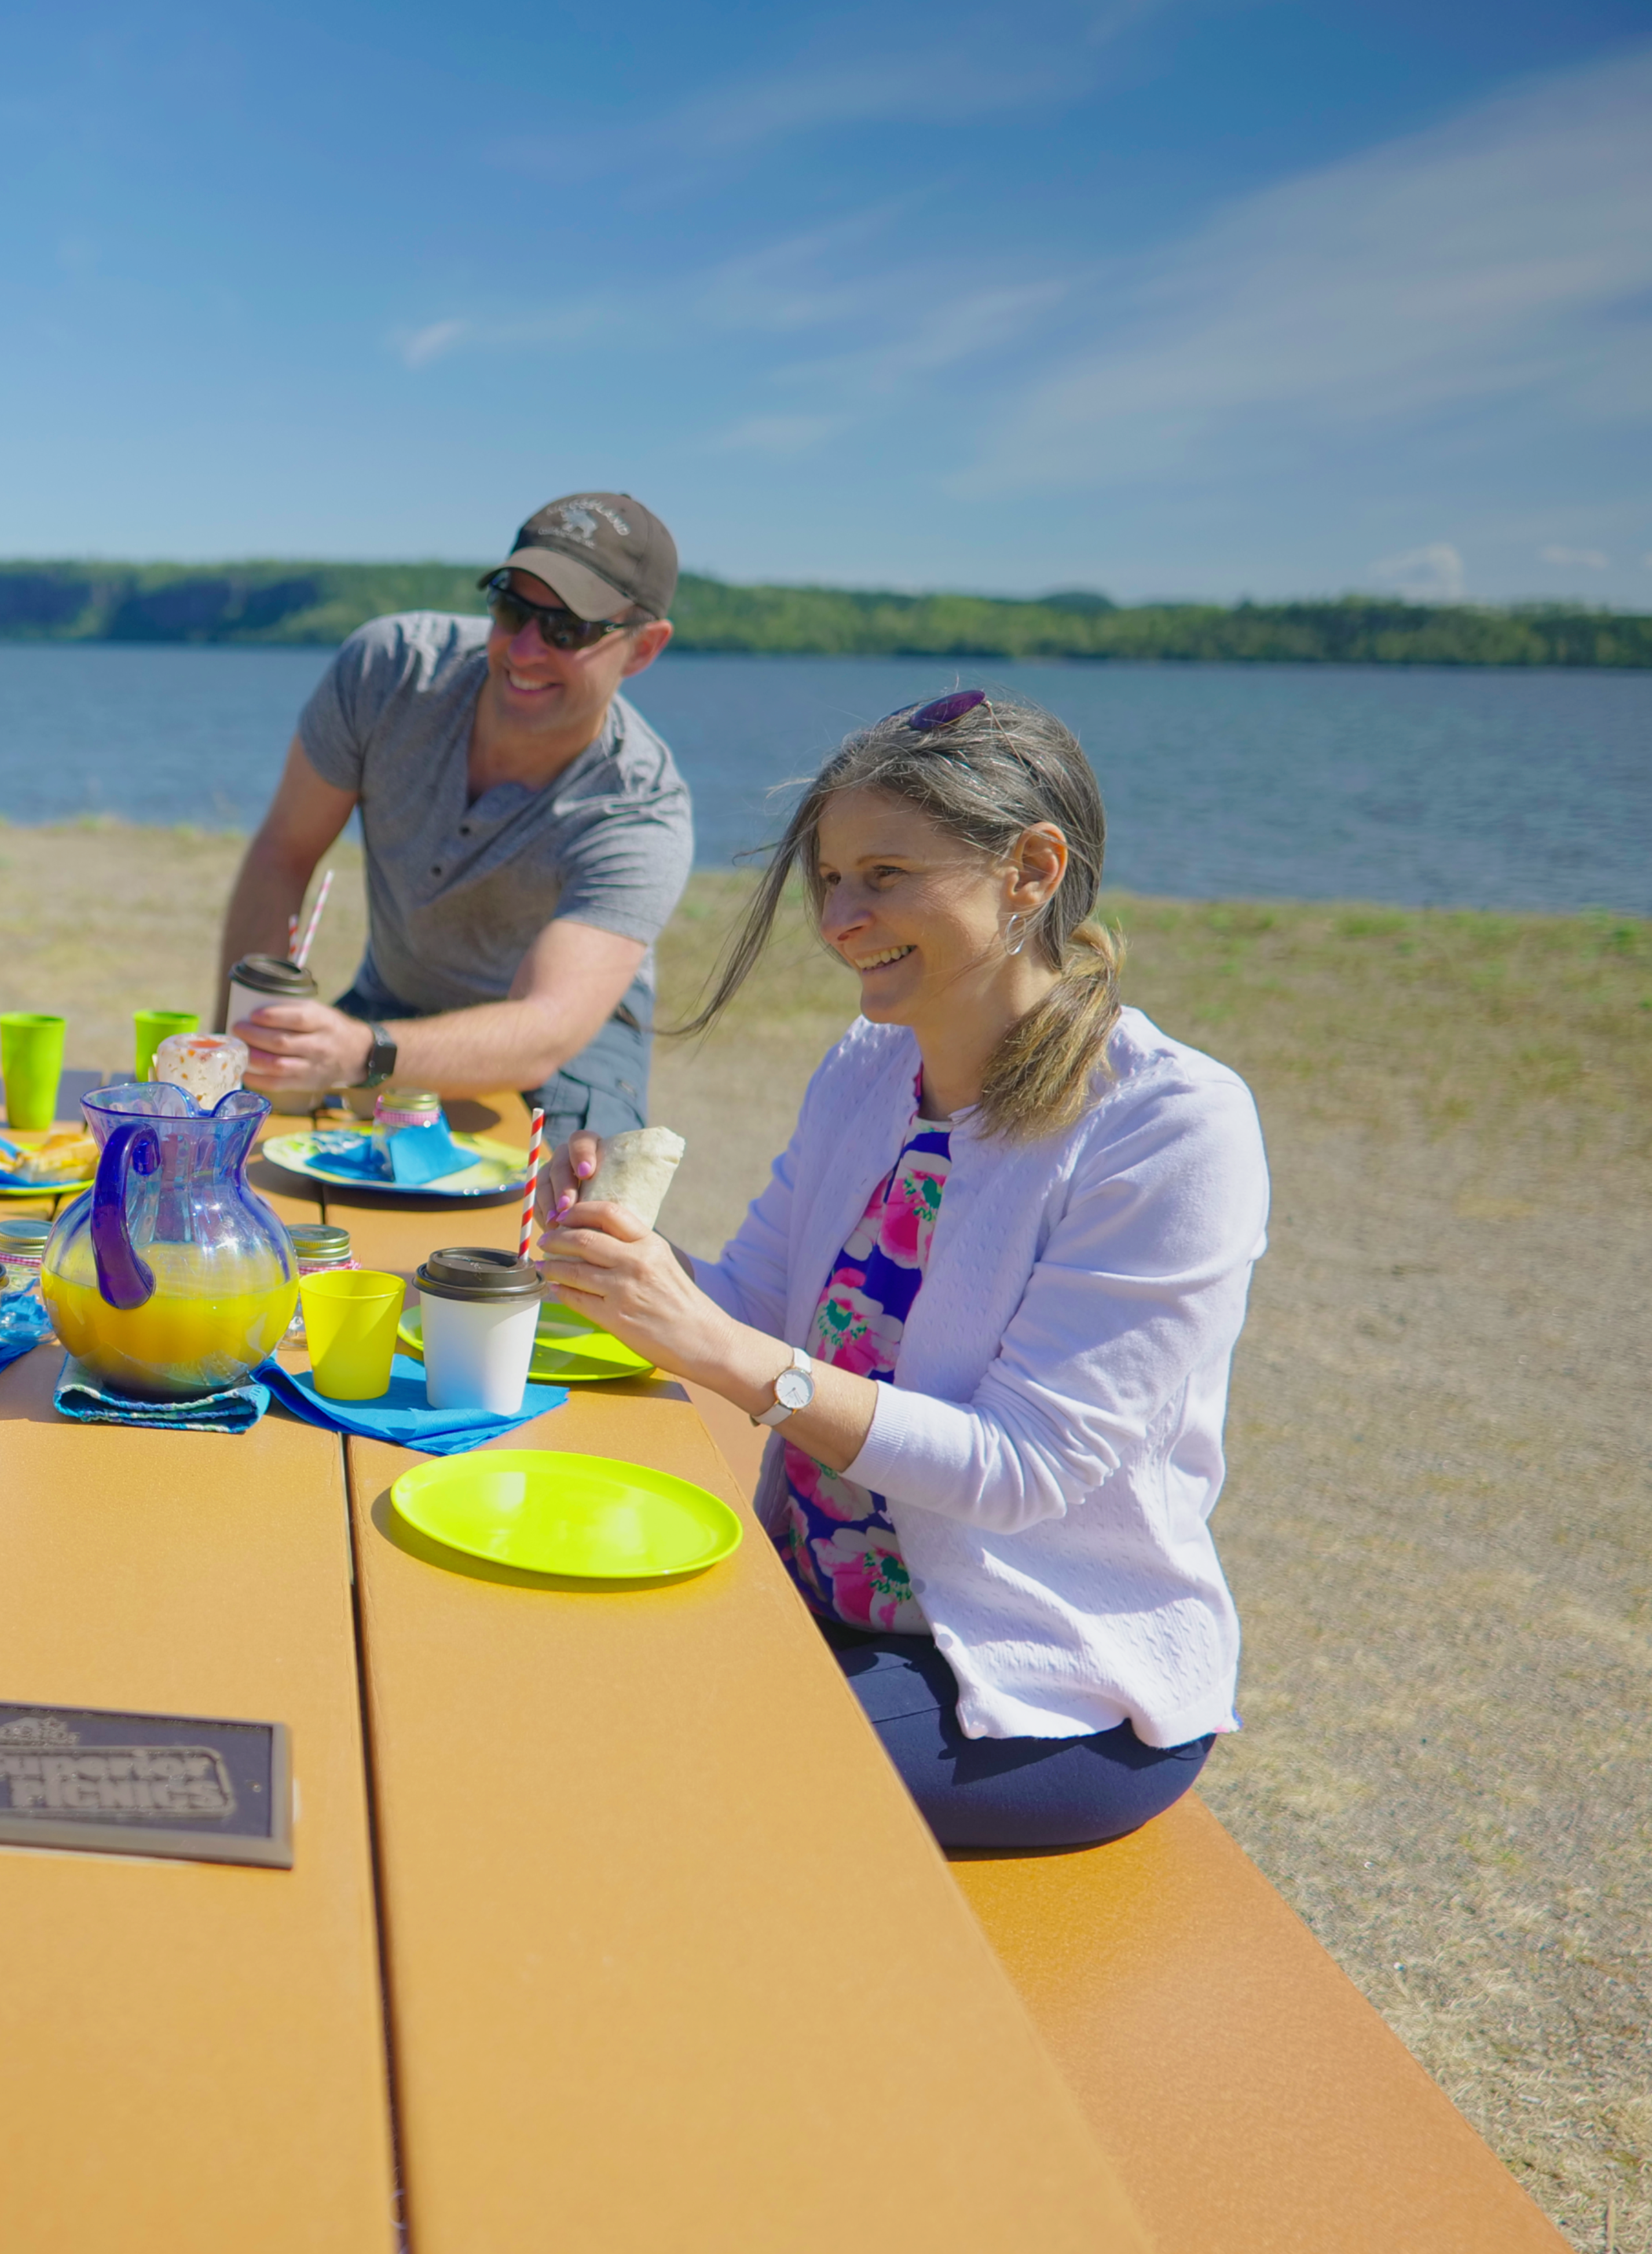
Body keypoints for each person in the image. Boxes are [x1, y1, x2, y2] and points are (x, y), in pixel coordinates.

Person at [537, 692, 1271, 1851]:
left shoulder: (1171, 1125)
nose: (840, 917)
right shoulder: (871, 1064)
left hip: (1031, 1686)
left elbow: (1024, 1466)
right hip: (819, 1599)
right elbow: (753, 1310)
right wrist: (619, 1256)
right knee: (526, 1668)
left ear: (1033, 868)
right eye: (829, 878)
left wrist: (724, 1349)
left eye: (884, 874)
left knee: (634, 1766)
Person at [212, 491, 692, 1158]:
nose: (525, 649)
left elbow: (548, 1028)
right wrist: (237, 1048)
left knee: (569, 1225)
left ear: (643, 648)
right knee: (273, 1166)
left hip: (567, 1050)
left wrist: (361, 1050)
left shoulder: (640, 808)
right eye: (511, 607)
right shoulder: (391, 670)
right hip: (391, 1004)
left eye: (568, 629)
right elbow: (284, 854)